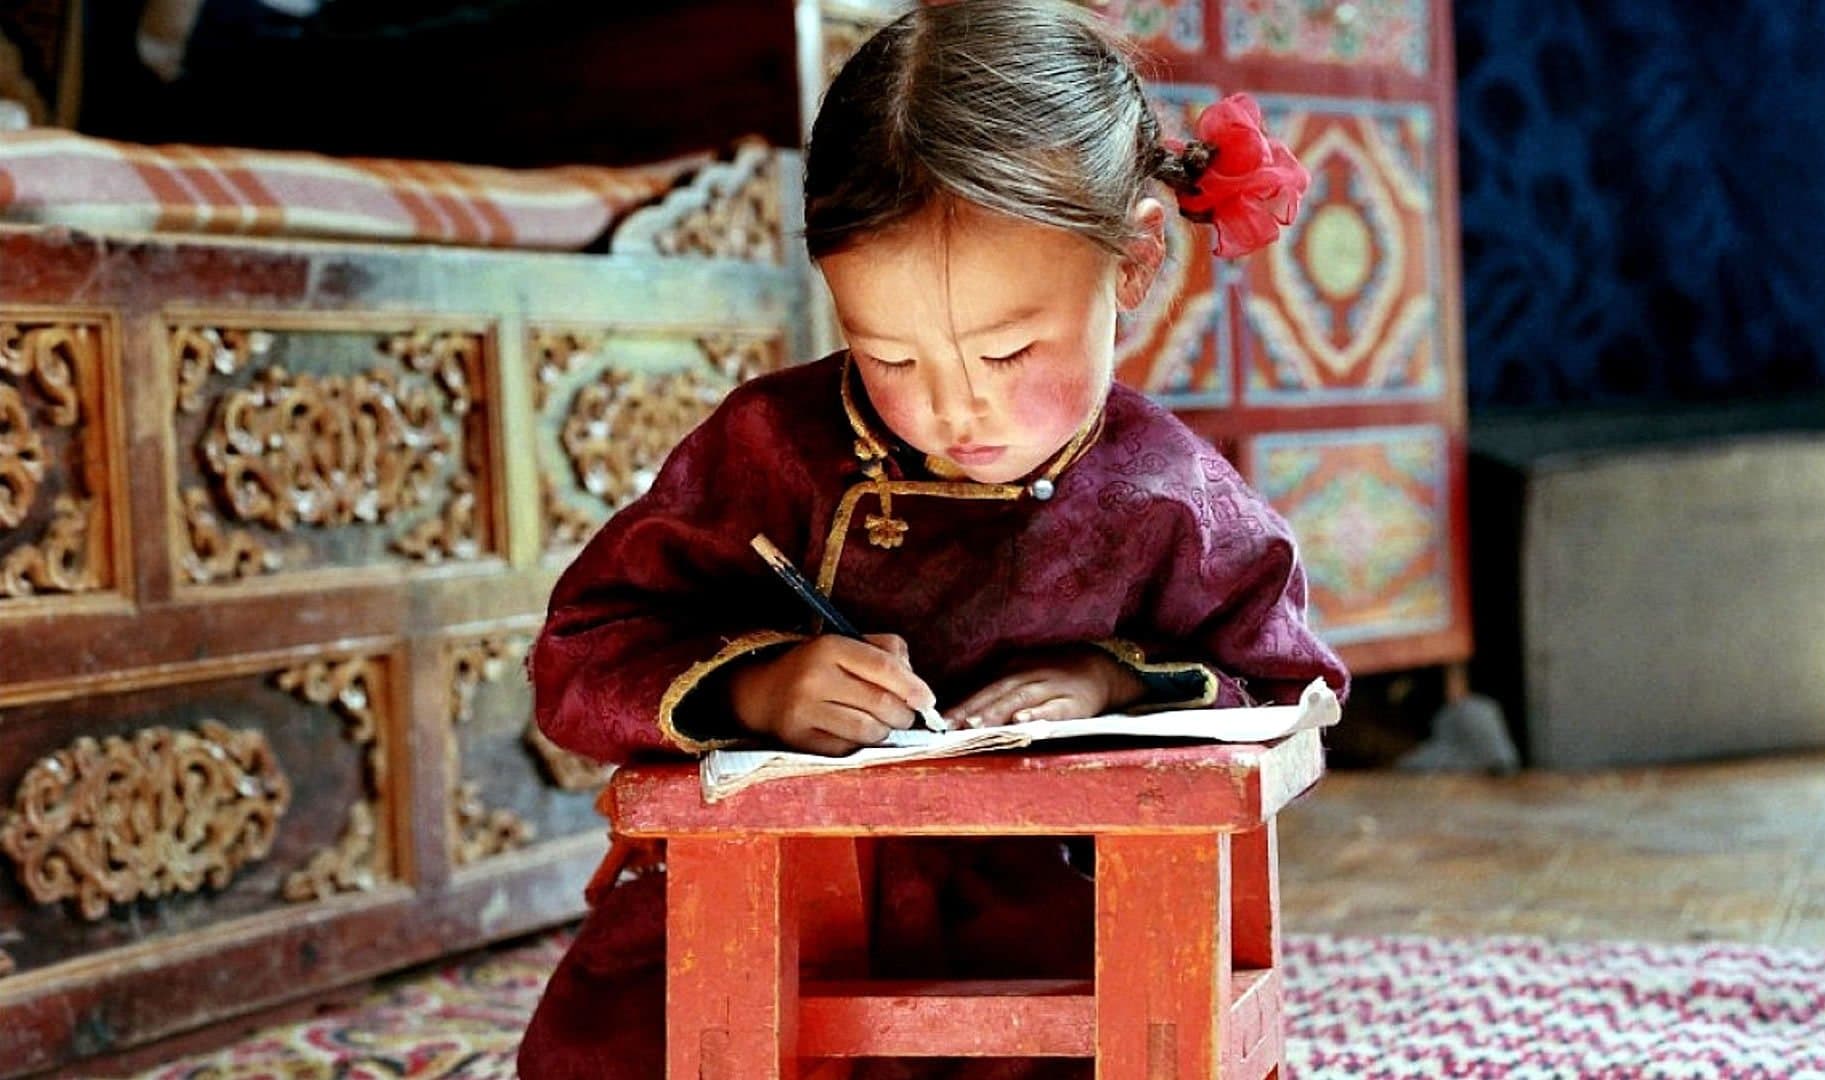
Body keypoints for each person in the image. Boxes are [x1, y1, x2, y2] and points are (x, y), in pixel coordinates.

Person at [518, 1, 1347, 1074]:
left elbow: (1290, 690)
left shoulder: (1171, 498)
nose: (958, 411)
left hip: (1045, 931)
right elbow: (583, 650)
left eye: (1009, 353)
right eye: (890, 358)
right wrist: (758, 690)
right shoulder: (771, 446)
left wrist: (1108, 679)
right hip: (766, 907)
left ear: (1136, 262)